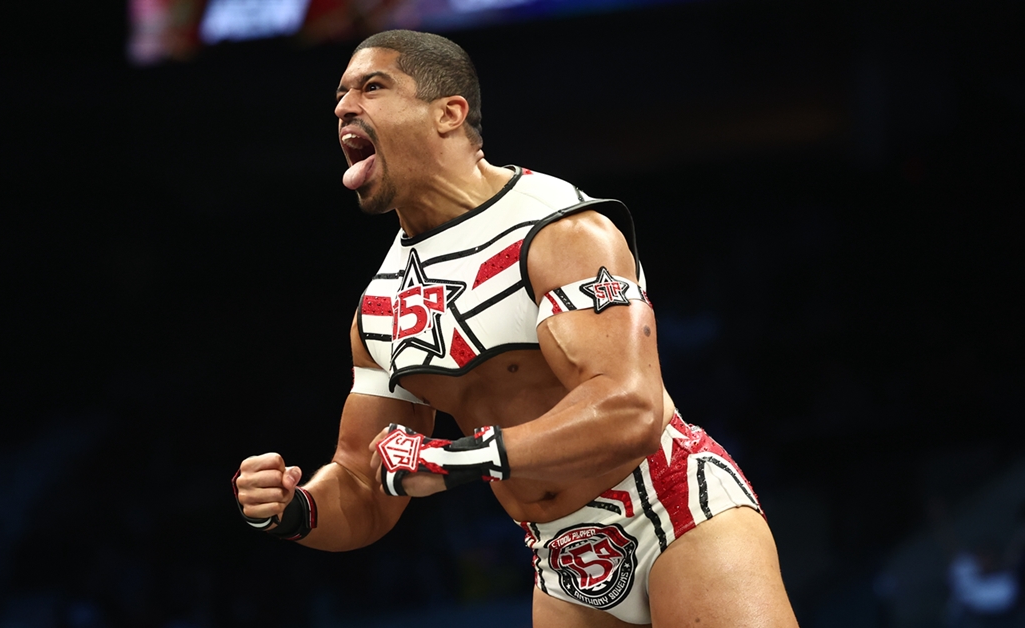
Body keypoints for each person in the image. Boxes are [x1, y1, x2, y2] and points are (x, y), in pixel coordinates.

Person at [233, 29, 799, 627]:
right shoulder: (378, 307)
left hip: (674, 511)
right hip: (558, 560)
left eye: (373, 87)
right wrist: (293, 509)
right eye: (342, 94)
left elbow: (628, 410)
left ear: (449, 113)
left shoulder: (559, 232)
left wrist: (454, 460)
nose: (344, 106)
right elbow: (364, 482)